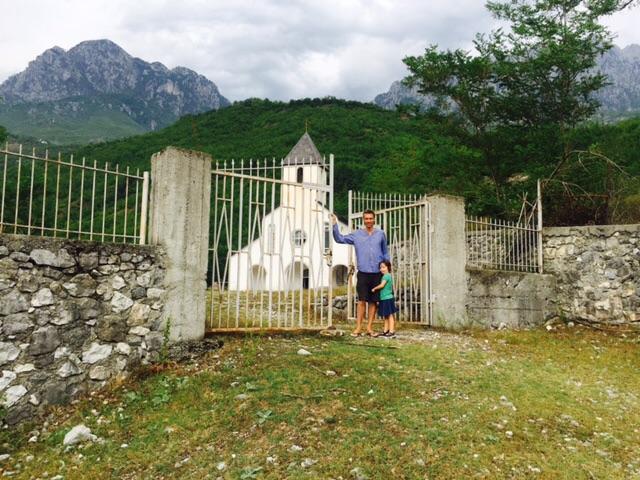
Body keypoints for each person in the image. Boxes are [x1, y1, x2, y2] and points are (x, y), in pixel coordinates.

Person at [331, 209, 390, 338]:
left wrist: (388, 267)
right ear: (363, 220)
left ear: (374, 219)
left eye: (370, 218)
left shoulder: (380, 234)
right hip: (363, 273)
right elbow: (340, 239)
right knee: (362, 300)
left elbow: (385, 252)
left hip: (377, 273)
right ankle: (358, 327)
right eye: (366, 219)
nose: (368, 221)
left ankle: (369, 328)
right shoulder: (356, 235)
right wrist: (335, 224)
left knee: (373, 302)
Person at [371, 260, 398, 338]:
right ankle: (386, 331)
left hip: (387, 298)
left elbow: (382, 285)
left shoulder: (386, 276)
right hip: (384, 298)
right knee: (386, 315)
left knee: (389, 315)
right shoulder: (387, 275)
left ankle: (391, 331)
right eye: (380, 268)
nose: (382, 269)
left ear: (388, 267)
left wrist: (374, 288)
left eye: (383, 267)